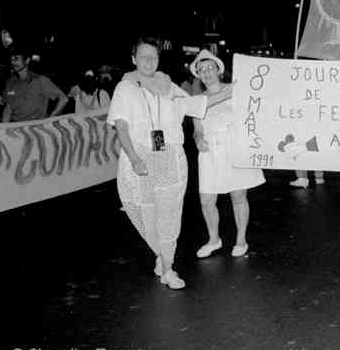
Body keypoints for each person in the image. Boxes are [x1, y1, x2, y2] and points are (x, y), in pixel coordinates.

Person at [107, 37, 230, 290]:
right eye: (143, 56)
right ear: (133, 59)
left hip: (171, 156)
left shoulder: (167, 85)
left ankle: (168, 268)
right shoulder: (125, 88)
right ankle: (163, 258)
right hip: (140, 157)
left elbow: (197, 104)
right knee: (146, 211)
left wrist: (232, 91)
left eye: (153, 56)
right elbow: (121, 125)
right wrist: (134, 158)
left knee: (169, 215)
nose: (149, 61)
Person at [190, 50, 266, 258]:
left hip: (233, 145)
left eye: (210, 68)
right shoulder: (197, 99)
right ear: (198, 74)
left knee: (238, 195)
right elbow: (197, 128)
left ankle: (241, 239)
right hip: (210, 152)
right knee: (206, 199)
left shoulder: (236, 89)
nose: (206, 72)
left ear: (218, 70)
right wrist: (198, 138)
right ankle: (214, 240)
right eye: (201, 69)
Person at [2, 48, 68, 122]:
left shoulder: (40, 80)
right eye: (11, 59)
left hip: (36, 127)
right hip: (16, 127)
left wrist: (51, 119)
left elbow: (63, 99)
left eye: (16, 59)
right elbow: (8, 108)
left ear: (27, 61)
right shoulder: (10, 82)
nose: (13, 62)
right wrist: (3, 128)